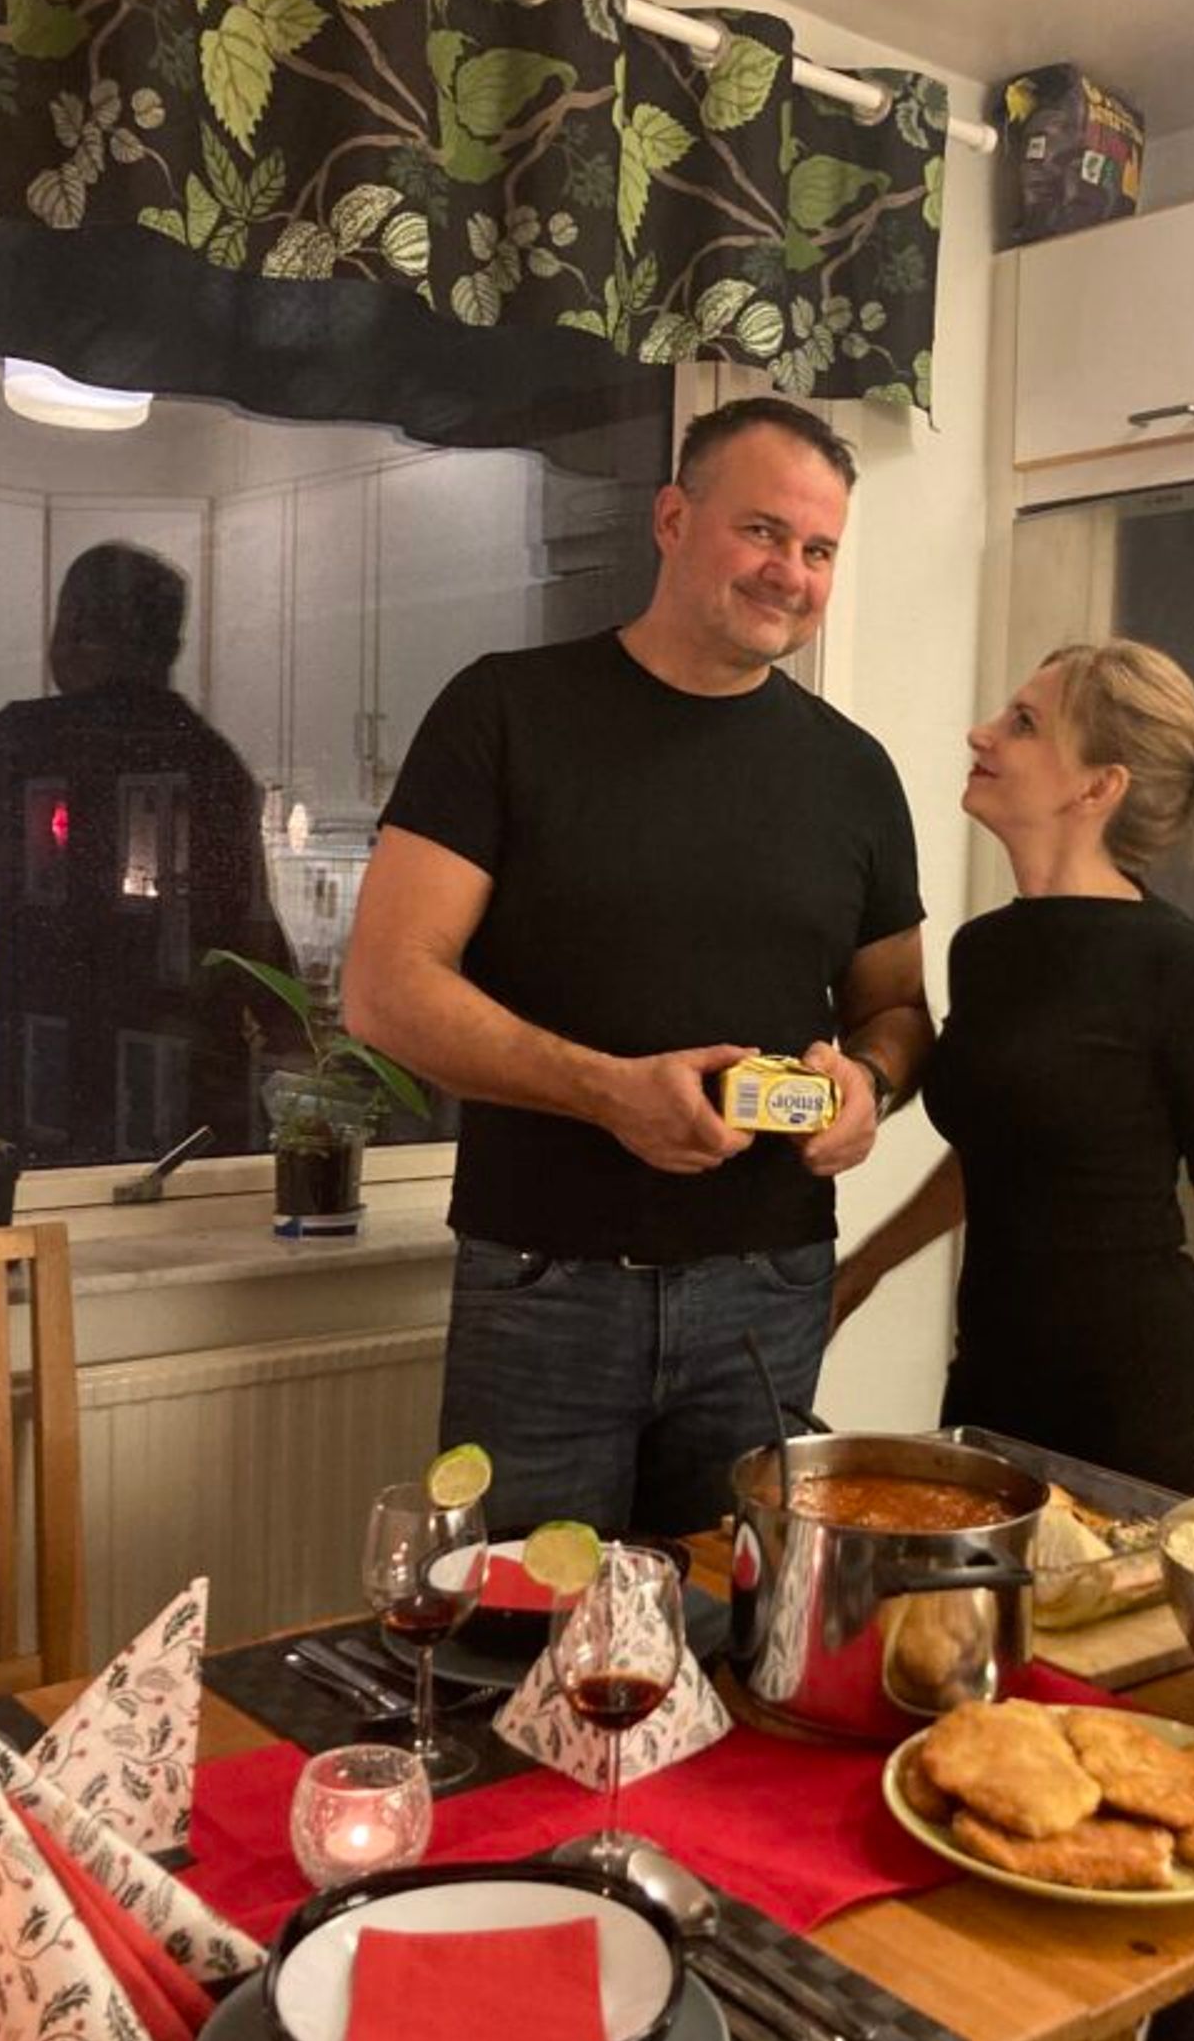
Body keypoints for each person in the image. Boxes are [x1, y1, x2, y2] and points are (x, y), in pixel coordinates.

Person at [831, 635, 1194, 2041]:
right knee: (1006, 1721)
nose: (982, 732)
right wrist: (864, 1273)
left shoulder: (1186, 973)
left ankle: (1180, 2038)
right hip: (997, 1389)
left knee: (1157, 1745)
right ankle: (1052, 2022)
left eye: (1018, 724)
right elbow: (1001, 1147)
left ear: (1095, 784)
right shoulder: (994, 949)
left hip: (1145, 1400)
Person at [342, 396, 932, 1537]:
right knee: (520, 1644)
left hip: (770, 1290)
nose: (791, 573)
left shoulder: (854, 774)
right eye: (762, 532)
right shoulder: (506, 710)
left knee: (739, 1639)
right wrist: (606, 1091)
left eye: (818, 550)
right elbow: (386, 987)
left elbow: (899, 1008)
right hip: (544, 1282)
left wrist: (871, 1087)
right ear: (671, 517)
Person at [0, 541, 289, 1167]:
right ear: (171, 647)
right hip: (192, 1143)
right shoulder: (215, 763)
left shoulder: (17, 743)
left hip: (38, 1128)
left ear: (75, 631)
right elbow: (261, 953)